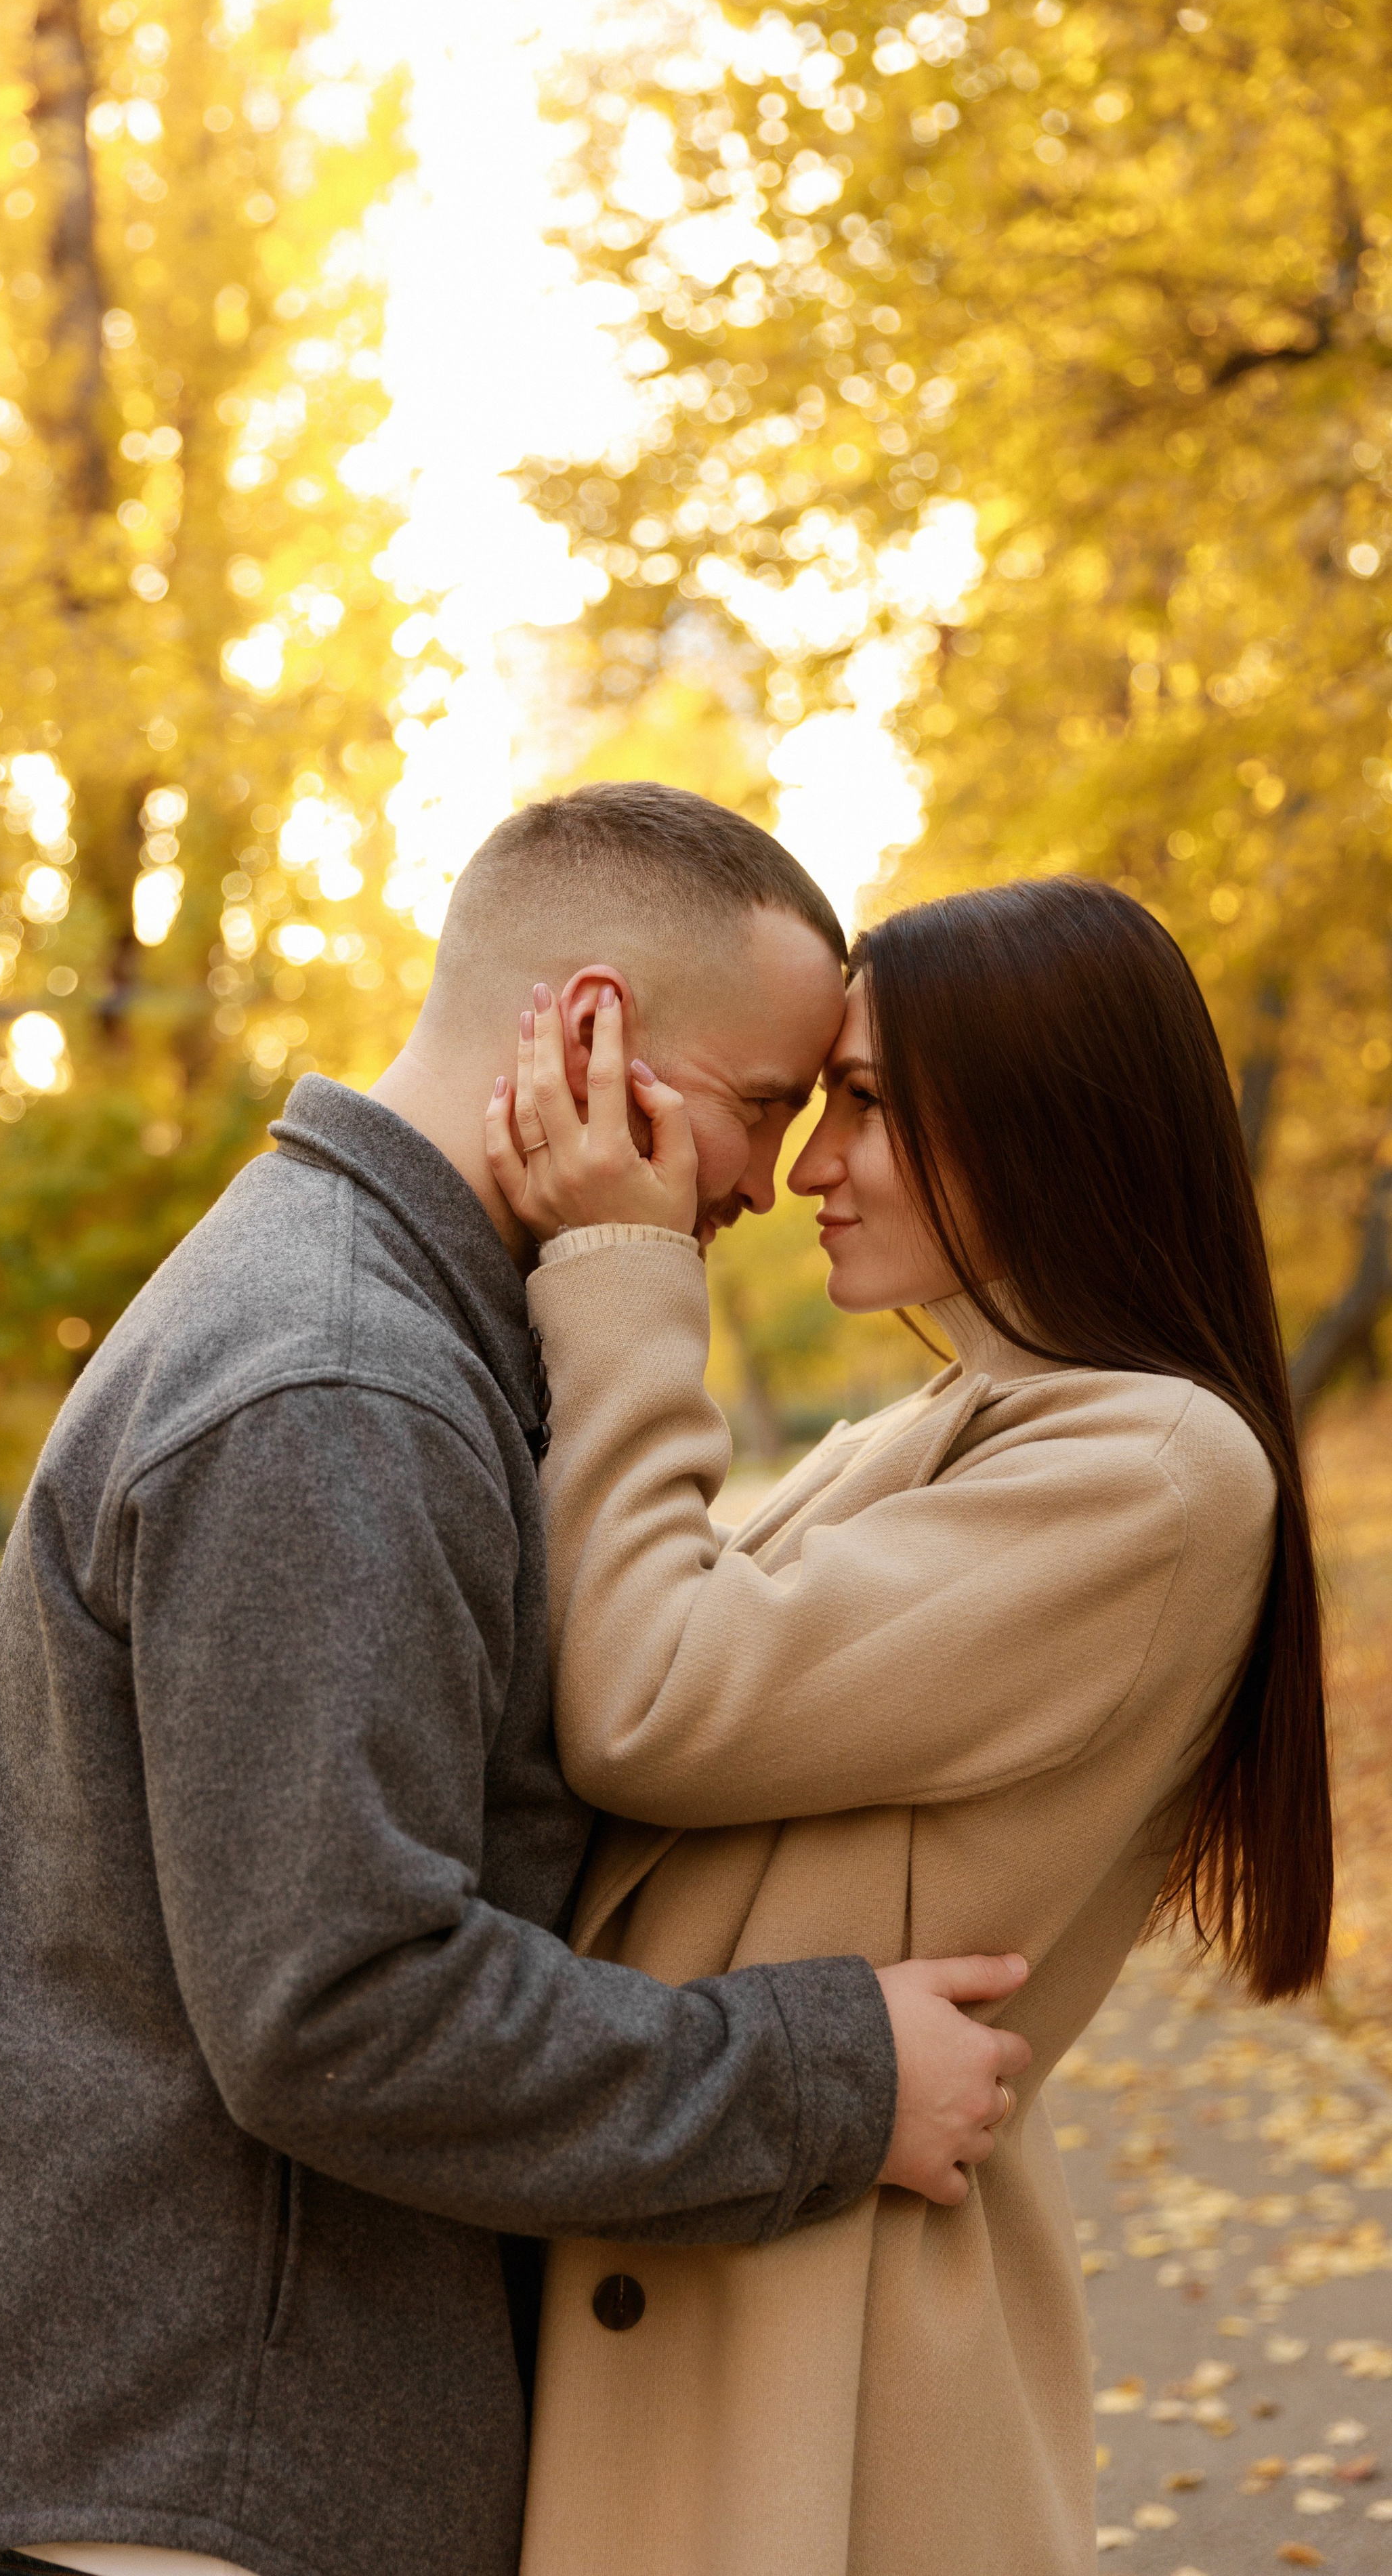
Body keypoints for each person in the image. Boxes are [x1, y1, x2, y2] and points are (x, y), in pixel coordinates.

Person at [0, 785, 1032, 2576]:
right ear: (591, 1035)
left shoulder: (386, 1327)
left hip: (243, 2464)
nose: (768, 1181)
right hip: (222, 2490)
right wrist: (833, 2081)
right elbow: (346, 2005)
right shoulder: (339, 1386)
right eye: (766, 1104)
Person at [484, 874, 1332, 2576]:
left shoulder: (1156, 1473)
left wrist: (624, 1271)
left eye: (864, 1104)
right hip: (736, 2274)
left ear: (1038, 1117)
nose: (807, 1167)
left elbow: (650, 1698)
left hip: (829, 2379)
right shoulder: (936, 1426)